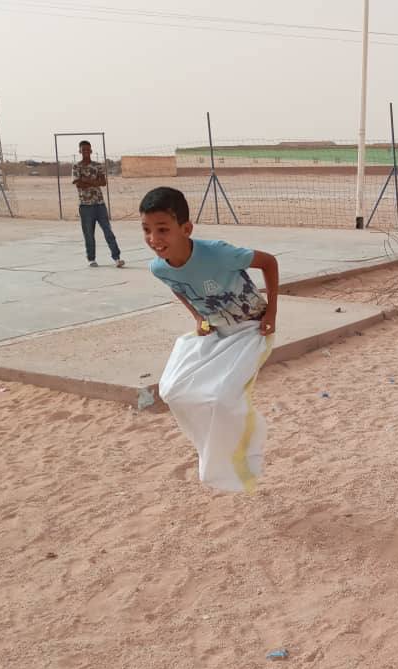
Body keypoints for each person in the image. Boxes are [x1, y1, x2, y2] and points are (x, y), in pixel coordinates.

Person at [142, 186, 280, 492]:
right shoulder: (158, 267)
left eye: (163, 229)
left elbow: (269, 262)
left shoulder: (218, 252)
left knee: (222, 397)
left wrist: (270, 314)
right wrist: (196, 317)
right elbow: (176, 285)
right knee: (173, 390)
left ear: (186, 228)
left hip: (252, 330)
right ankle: (210, 452)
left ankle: (246, 454)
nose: (154, 239)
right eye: (147, 230)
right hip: (216, 331)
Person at [72, 140, 123, 267]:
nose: (85, 152)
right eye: (83, 150)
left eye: (87, 149)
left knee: (108, 231)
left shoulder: (98, 166)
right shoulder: (76, 167)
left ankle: (116, 257)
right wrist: (94, 181)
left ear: (91, 150)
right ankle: (91, 259)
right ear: (79, 151)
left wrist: (86, 180)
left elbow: (103, 182)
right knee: (89, 234)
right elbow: (78, 184)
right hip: (85, 205)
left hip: (99, 204)